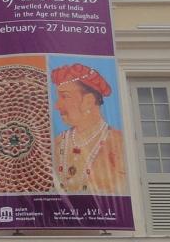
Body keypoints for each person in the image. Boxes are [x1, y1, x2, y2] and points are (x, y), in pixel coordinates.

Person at [50, 63, 128, 195]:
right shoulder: (57, 143)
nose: (57, 106)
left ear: (88, 101)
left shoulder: (118, 143)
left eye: (65, 96)